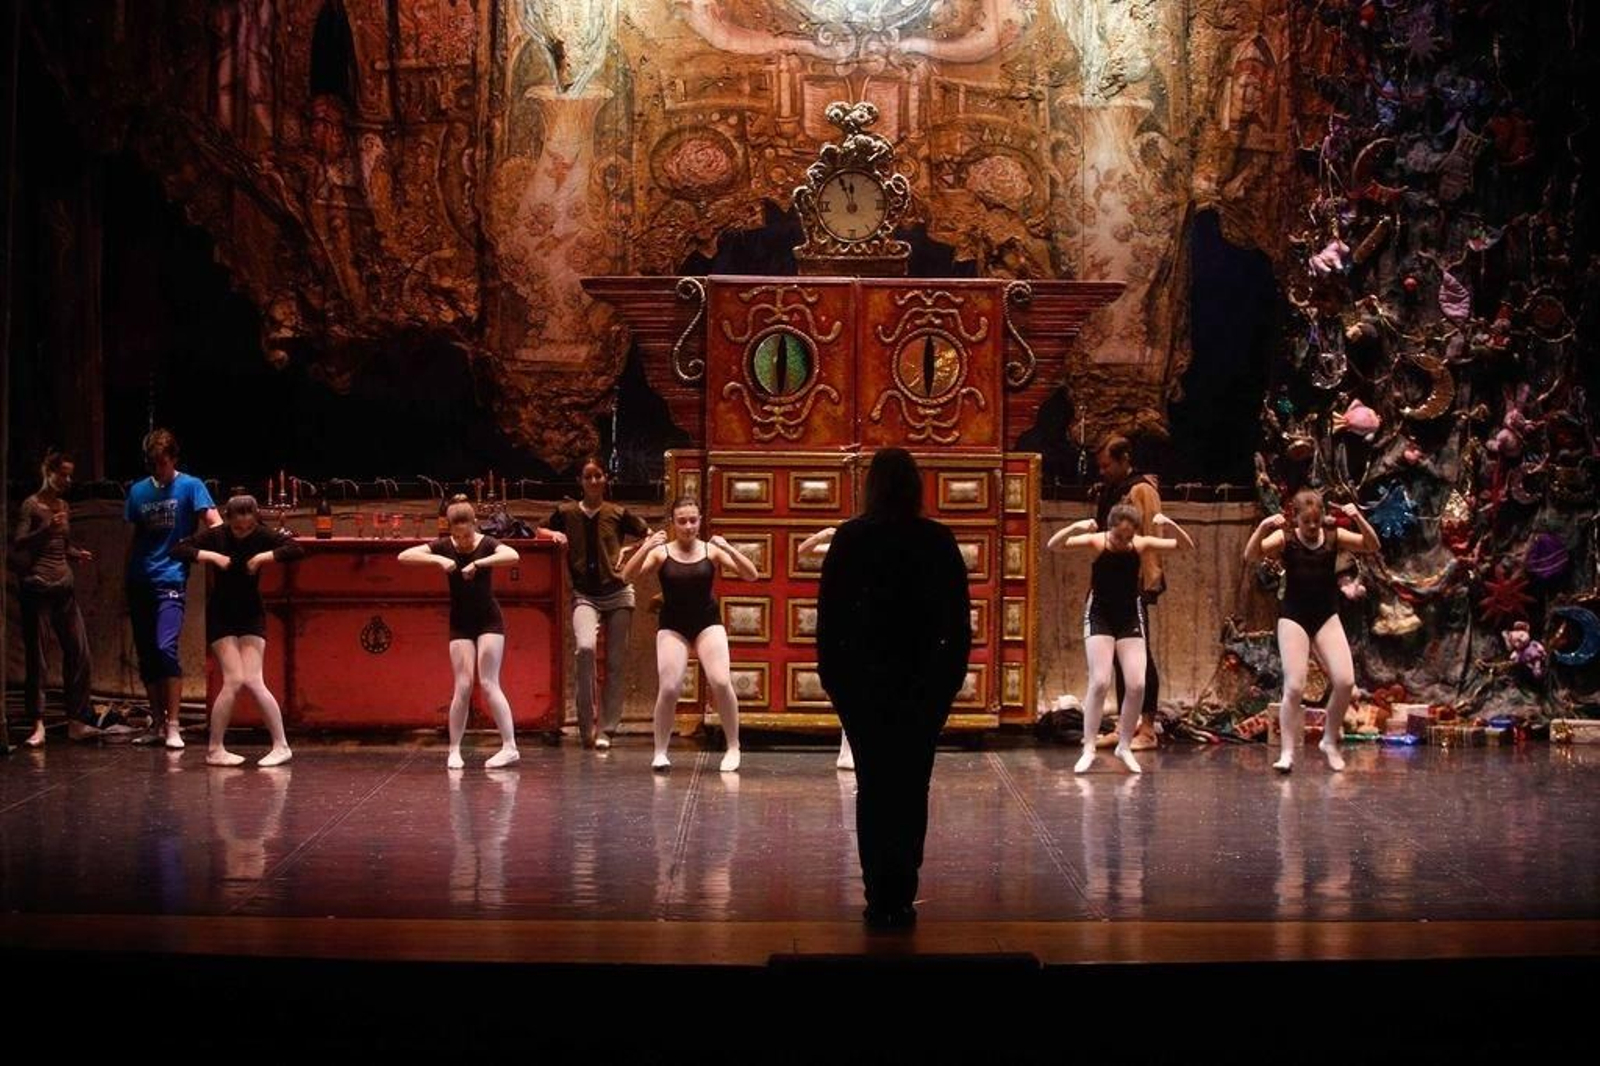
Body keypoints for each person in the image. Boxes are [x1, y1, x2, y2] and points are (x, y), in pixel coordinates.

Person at [816, 448, 972, 929]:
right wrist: (948, 682)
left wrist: (835, 680)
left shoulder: (851, 538)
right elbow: (958, 622)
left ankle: (878, 892)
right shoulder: (937, 540)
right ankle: (903, 889)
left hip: (864, 683)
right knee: (911, 785)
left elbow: (830, 617)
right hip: (921, 683)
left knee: (874, 786)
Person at [1049, 503, 1195, 774]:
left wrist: (1171, 525)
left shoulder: (1139, 544)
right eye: (1118, 536)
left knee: (1137, 684)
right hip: (1100, 615)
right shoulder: (1097, 542)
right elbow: (1053, 545)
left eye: (1128, 537)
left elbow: (1186, 547)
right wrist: (1075, 527)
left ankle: (1124, 745)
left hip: (1128, 615)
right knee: (1100, 681)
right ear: (1111, 529)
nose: (1122, 542)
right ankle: (1089, 747)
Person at [1243, 489, 1380, 772]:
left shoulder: (1333, 536)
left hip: (1325, 615)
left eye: (1317, 522)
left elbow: (1371, 545)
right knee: (1294, 686)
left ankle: (1329, 741)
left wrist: (1358, 519)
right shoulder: (1286, 539)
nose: (1312, 527)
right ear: (1296, 518)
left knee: (1345, 681)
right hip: (1293, 617)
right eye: (1306, 522)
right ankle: (1287, 752)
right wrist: (1263, 527)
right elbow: (1251, 554)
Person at [619, 496, 758, 773]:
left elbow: (751, 574)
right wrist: (646, 546)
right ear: (673, 523)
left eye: (693, 520)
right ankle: (660, 751)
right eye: (682, 521)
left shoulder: (710, 551)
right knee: (670, 688)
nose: (688, 526)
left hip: (707, 622)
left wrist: (728, 547)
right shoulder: (662, 553)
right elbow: (626, 577)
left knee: (720, 681)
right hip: (673, 624)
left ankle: (733, 746)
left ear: (700, 521)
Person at [173, 494, 303, 766]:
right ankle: (215, 749)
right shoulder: (217, 535)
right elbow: (179, 549)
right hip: (222, 613)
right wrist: (213, 557)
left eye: (249, 525)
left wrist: (263, 558)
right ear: (229, 519)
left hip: (250, 612)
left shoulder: (261, 534)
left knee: (254, 680)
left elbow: (295, 549)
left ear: (255, 520)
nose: (243, 530)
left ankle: (281, 745)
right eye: (238, 526)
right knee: (233, 680)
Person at [398, 495, 522, 770]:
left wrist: (479, 563)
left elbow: (513, 555)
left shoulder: (486, 544)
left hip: (488, 620)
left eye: (466, 535)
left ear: (474, 525)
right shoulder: (445, 546)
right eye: (457, 536)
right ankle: (454, 749)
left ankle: (510, 747)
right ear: (450, 530)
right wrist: (438, 561)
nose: (463, 541)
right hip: (460, 622)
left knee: (489, 682)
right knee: (463, 685)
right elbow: (404, 556)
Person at [539, 457, 650, 749]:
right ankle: (585, 726)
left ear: (605, 479)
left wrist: (628, 552)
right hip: (585, 595)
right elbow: (540, 529)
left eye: (598, 475)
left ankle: (607, 729)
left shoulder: (617, 512)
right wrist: (554, 534)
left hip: (618, 592)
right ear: (580, 480)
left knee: (615, 662)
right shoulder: (567, 512)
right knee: (585, 649)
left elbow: (650, 535)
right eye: (588, 476)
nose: (593, 481)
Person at [125, 429, 221, 749]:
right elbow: (134, 538)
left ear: (174, 459)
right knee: (147, 654)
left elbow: (216, 524)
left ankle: (174, 726)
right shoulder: (138, 491)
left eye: (163, 463)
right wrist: (125, 579)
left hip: (171, 577)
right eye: (153, 464)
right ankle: (157, 723)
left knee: (165, 646)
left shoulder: (191, 486)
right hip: (140, 579)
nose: (159, 470)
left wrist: (198, 549)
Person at [10, 451, 110, 745]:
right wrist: (45, 529)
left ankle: (76, 721)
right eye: (63, 474)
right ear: (48, 471)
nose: (68, 480)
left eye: (70, 475)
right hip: (38, 587)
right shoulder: (32, 505)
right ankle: (38, 724)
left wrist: (75, 553)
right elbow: (19, 543)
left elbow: (61, 544)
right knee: (38, 658)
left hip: (63, 587)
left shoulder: (64, 506)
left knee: (79, 653)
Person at [1093, 436, 1165, 750]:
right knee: (1117, 656)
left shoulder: (1141, 490)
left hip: (1133, 583)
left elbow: (1151, 533)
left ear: (1124, 460)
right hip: (1110, 581)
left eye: (1107, 465)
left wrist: (1148, 580)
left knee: (1139, 655)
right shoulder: (1111, 489)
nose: (1103, 471)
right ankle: (1125, 724)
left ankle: (1147, 728)